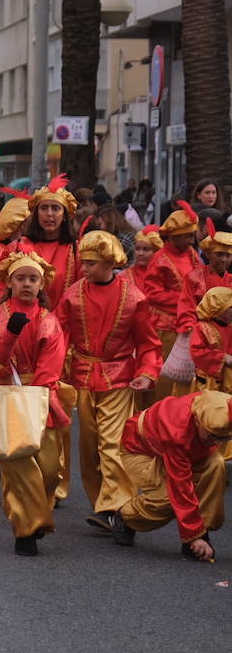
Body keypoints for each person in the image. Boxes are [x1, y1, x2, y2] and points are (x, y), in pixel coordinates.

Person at [52, 230, 161, 531]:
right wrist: (51, 372)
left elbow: (149, 342)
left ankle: (117, 507)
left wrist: (146, 372)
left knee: (113, 442)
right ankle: (102, 502)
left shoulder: (134, 298)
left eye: (91, 263)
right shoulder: (73, 295)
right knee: (89, 445)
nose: (84, 268)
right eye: (83, 262)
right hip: (83, 378)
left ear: (109, 263)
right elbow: (58, 335)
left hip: (119, 378)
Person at [0, 251, 71, 556]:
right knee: (19, 468)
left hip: (41, 398)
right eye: (21, 278)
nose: (27, 284)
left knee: (49, 470)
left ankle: (33, 515)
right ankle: (26, 529)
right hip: (8, 398)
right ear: (9, 281)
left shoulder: (49, 321)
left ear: (41, 283)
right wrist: (10, 335)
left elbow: (51, 365)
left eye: (33, 279)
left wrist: (36, 395)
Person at [111, 390, 229, 560]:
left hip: (185, 449)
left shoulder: (222, 407)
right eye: (212, 435)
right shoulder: (177, 432)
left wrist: (198, 533)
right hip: (141, 451)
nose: (217, 442)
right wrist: (192, 533)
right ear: (197, 421)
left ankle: (202, 534)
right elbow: (180, 486)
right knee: (168, 498)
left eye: (224, 438)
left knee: (216, 464)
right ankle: (126, 517)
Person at [143, 202, 202, 399]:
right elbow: (152, 294)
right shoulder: (160, 259)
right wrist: (184, 299)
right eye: (188, 236)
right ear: (174, 235)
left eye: (192, 236)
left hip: (189, 323)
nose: (192, 241)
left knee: (186, 375)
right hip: (165, 327)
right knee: (166, 374)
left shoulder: (192, 255)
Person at [190, 287, 232, 392]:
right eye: (230, 307)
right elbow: (196, 352)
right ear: (217, 308)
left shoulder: (230, 327)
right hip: (207, 384)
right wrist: (223, 358)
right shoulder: (202, 328)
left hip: (228, 380)